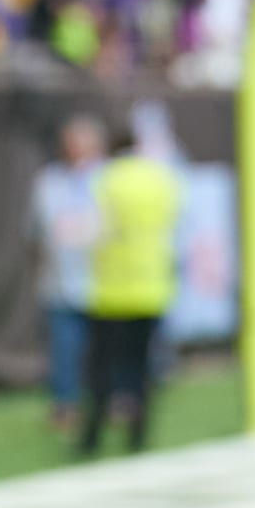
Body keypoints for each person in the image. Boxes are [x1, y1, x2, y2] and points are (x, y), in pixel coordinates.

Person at [76, 126, 181, 456]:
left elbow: (93, 229)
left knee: (101, 370)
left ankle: (92, 436)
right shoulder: (159, 179)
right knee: (142, 367)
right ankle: (139, 434)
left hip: (111, 292)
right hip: (152, 289)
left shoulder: (105, 180)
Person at [26, 113, 107, 429]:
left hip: (104, 284)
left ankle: (106, 400)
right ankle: (65, 404)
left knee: (102, 349)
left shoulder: (108, 179)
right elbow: (33, 233)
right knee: (64, 349)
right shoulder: (49, 182)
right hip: (60, 283)